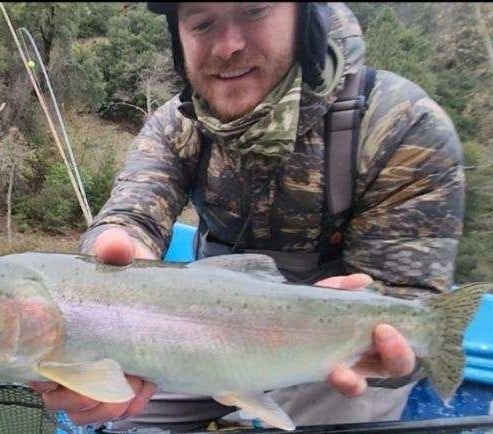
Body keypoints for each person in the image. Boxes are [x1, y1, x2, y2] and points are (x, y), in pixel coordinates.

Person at [30, 2, 465, 431]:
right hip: (197, 332)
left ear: (305, 20)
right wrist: (108, 256)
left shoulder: (402, 125)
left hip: (323, 350)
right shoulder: (176, 124)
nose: (228, 46)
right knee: (117, 415)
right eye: (202, 22)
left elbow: (409, 305)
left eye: (254, 11)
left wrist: (390, 350)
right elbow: (132, 214)